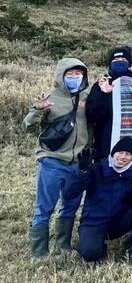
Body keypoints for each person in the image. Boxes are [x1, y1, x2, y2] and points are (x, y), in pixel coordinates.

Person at [24, 57, 91, 258]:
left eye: (78, 74)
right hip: (52, 160)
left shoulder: (87, 96)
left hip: (77, 163)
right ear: (61, 75)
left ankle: (63, 245)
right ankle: (39, 252)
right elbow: (28, 127)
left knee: (70, 206)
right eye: (69, 74)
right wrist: (37, 110)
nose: (74, 78)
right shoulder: (49, 96)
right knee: (44, 207)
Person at [71, 137, 132, 261]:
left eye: (128, 154)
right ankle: (96, 245)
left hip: (119, 222)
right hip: (94, 222)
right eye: (120, 152)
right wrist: (83, 171)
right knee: (89, 254)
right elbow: (72, 191)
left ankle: (131, 249)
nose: (123, 156)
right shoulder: (97, 168)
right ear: (113, 152)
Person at [86, 46, 132, 160]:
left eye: (123, 60)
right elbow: (91, 115)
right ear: (109, 64)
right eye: (116, 61)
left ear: (129, 64)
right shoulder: (101, 84)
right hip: (105, 141)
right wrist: (105, 94)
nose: (119, 63)